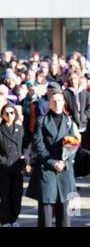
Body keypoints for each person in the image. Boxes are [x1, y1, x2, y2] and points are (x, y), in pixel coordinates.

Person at [26, 91, 78, 227]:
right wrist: (52, 162)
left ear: (64, 103)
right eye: (54, 101)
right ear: (49, 103)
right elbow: (38, 145)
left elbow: (73, 145)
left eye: (60, 100)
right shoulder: (41, 120)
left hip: (64, 170)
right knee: (46, 214)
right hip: (47, 168)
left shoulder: (69, 122)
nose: (57, 103)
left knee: (65, 215)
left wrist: (65, 162)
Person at [0, 104, 25, 227]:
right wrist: (2, 160)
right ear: (2, 115)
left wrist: (25, 159)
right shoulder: (0, 129)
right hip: (4, 167)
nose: (9, 115)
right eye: (6, 113)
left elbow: (23, 145)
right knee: (5, 195)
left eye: (12, 113)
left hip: (17, 166)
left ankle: (14, 219)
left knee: (16, 195)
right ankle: (5, 220)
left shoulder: (19, 129)